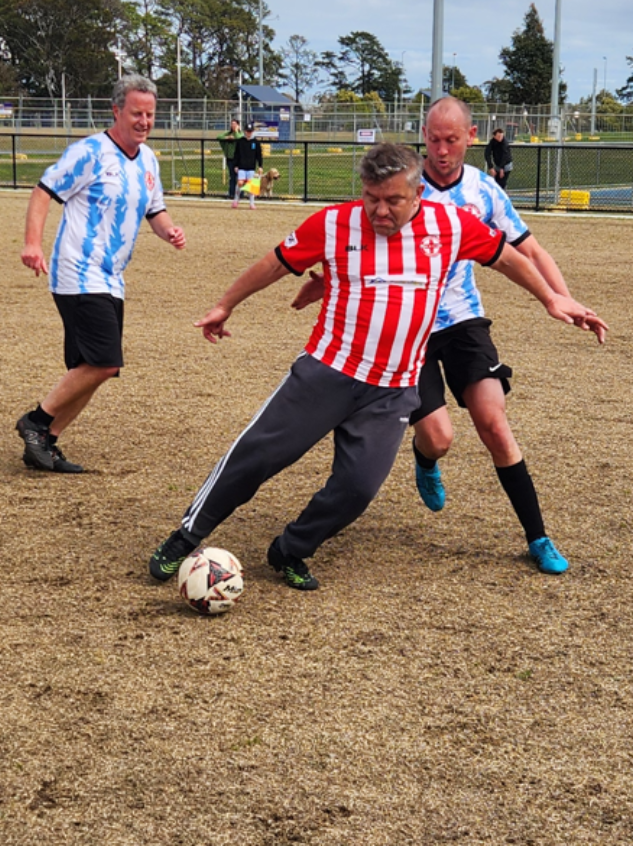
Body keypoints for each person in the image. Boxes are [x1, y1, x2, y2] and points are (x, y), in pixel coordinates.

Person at [148, 143, 605, 591]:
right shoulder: (333, 223)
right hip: (328, 372)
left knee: (358, 488)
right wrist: (224, 305)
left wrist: (551, 297)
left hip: (393, 389)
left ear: (418, 195)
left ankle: (290, 548)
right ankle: (186, 536)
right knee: (257, 457)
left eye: (393, 201)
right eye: (372, 199)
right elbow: (274, 264)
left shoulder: (450, 225)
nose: (379, 211)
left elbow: (506, 256)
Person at [410, 97, 593, 572]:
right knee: (440, 437)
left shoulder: (485, 191)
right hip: (408, 326)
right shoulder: (405, 186)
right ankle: (424, 458)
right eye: (434, 139)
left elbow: (531, 249)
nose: (443, 149)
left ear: (471, 137)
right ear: (423, 135)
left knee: (494, 423)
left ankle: (538, 538)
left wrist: (563, 297)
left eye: (452, 140)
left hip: (464, 320)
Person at [16, 74, 187, 474]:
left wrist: (170, 231)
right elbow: (43, 191)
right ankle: (35, 423)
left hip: (112, 277)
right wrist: (32, 244)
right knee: (105, 363)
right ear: (116, 111)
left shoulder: (147, 160)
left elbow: (154, 211)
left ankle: (44, 445)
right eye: (136, 113)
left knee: (90, 370)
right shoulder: (89, 152)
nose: (144, 121)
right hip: (77, 270)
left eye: (150, 114)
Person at [232, 123, 264, 209]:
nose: (249, 133)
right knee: (240, 183)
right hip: (242, 166)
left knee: (251, 185)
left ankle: (251, 203)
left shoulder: (256, 143)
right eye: (247, 131)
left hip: (251, 167)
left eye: (250, 131)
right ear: (245, 131)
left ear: (252, 132)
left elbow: (259, 155)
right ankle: (236, 199)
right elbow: (236, 154)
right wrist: (235, 165)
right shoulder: (240, 141)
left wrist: (260, 166)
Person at [217, 118, 244, 198]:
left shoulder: (240, 134)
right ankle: (231, 193)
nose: (233, 126)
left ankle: (240, 194)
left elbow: (240, 138)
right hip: (230, 159)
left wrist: (236, 132)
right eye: (232, 124)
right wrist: (227, 138)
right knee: (232, 177)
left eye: (235, 124)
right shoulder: (228, 133)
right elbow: (219, 137)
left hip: (239, 160)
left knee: (239, 177)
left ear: (238, 126)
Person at [484, 125, 513, 191]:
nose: (501, 138)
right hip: (497, 164)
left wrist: (502, 169)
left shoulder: (504, 143)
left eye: (502, 136)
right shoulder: (492, 142)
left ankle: (503, 195)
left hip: (506, 164)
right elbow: (487, 153)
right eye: (499, 136)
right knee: (496, 183)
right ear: (494, 136)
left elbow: (505, 156)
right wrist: (490, 167)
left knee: (501, 183)